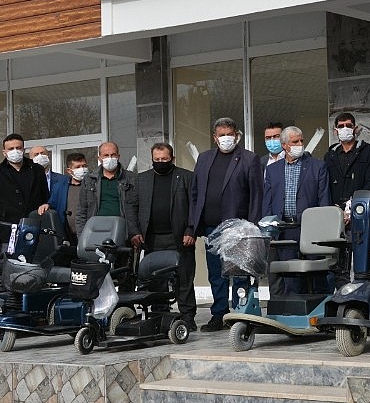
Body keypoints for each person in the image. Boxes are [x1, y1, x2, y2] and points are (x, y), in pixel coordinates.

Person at [189, 117, 263, 332]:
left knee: (238, 273)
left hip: (237, 228)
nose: (226, 138)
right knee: (216, 274)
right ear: (215, 137)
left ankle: (239, 314)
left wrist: (251, 226)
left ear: (237, 135)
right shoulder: (204, 159)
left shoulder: (249, 159)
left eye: (229, 134)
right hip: (211, 228)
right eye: (221, 135)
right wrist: (193, 224)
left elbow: (256, 195)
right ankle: (219, 314)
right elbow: (195, 192)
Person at [262, 126, 331, 295]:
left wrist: (322, 230)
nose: (300, 144)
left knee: (317, 277)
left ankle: (319, 308)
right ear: (284, 145)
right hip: (285, 230)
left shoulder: (317, 166)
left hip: (311, 230)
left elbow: (324, 199)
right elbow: (268, 202)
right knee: (291, 279)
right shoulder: (272, 170)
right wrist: (269, 229)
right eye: (295, 142)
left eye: (301, 140)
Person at [137, 143, 197, 330]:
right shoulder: (142, 179)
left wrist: (191, 230)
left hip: (180, 237)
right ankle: (159, 315)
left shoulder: (186, 177)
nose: (161, 162)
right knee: (157, 279)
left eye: (164, 159)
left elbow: (194, 207)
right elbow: (133, 206)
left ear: (173, 159)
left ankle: (187, 317)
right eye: (157, 159)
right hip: (152, 239)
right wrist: (136, 232)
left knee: (184, 278)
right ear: (152, 159)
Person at [0, 134, 49, 293]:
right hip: (6, 232)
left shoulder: (37, 170)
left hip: (33, 231)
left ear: (23, 149)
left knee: (32, 273)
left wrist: (46, 205)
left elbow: (45, 197)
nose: (15, 151)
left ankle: (28, 307)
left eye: (18, 148)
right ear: (4, 152)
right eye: (11, 148)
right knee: (4, 274)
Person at [75, 142, 141, 243]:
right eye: (106, 155)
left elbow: (139, 209)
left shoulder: (132, 178)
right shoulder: (89, 179)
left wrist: (135, 233)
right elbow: (81, 212)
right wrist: (82, 238)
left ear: (118, 156)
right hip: (95, 232)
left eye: (113, 155)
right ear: (99, 158)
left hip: (123, 233)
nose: (110, 158)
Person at [325, 112, 370, 209]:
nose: (345, 129)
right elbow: (326, 185)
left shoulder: (368, 151)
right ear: (335, 131)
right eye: (341, 126)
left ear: (355, 129)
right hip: (335, 209)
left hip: (359, 207)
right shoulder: (330, 155)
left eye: (348, 126)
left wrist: (356, 204)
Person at [48, 152, 88, 242]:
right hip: (66, 235)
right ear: (69, 171)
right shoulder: (59, 187)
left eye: (84, 166)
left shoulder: (93, 186)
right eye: (78, 167)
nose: (82, 169)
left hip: (88, 233)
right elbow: (53, 203)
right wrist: (47, 205)